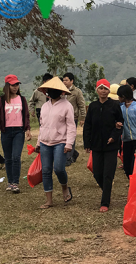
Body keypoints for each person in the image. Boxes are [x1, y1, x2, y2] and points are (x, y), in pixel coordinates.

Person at [35, 77, 76, 209]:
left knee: (59, 168)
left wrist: (69, 143)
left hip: (60, 142)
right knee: (46, 170)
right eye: (50, 90)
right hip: (45, 142)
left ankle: (65, 188)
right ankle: (49, 200)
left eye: (55, 90)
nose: (52, 92)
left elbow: (71, 126)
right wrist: (38, 142)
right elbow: (42, 125)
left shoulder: (67, 106)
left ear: (61, 92)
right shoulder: (45, 106)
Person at [83, 79, 123, 212]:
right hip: (96, 145)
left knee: (108, 174)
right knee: (97, 173)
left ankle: (105, 202)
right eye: (101, 88)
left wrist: (114, 136)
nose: (103, 91)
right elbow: (88, 125)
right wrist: (87, 142)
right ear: (97, 90)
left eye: (106, 88)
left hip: (111, 146)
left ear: (109, 90)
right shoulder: (93, 106)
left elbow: (120, 123)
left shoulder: (115, 105)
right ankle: (107, 190)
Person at [0, 75, 32, 193]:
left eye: (17, 84)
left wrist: (28, 129)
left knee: (16, 157)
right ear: (7, 86)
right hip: (6, 132)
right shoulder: (1, 100)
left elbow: (26, 116)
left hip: (19, 131)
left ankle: (15, 182)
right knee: (8, 158)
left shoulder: (22, 99)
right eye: (13, 85)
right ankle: (10, 182)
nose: (15, 87)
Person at [118, 85, 136, 179]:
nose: (118, 98)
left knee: (135, 164)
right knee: (127, 166)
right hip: (126, 141)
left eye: (119, 96)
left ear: (124, 96)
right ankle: (131, 182)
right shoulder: (120, 108)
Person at [62, 72, 86, 166]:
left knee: (71, 138)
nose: (64, 82)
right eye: (63, 80)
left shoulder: (77, 92)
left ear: (72, 81)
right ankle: (73, 153)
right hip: (62, 118)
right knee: (63, 138)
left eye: (66, 80)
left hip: (73, 118)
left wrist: (82, 117)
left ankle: (69, 158)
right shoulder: (61, 91)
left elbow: (81, 105)